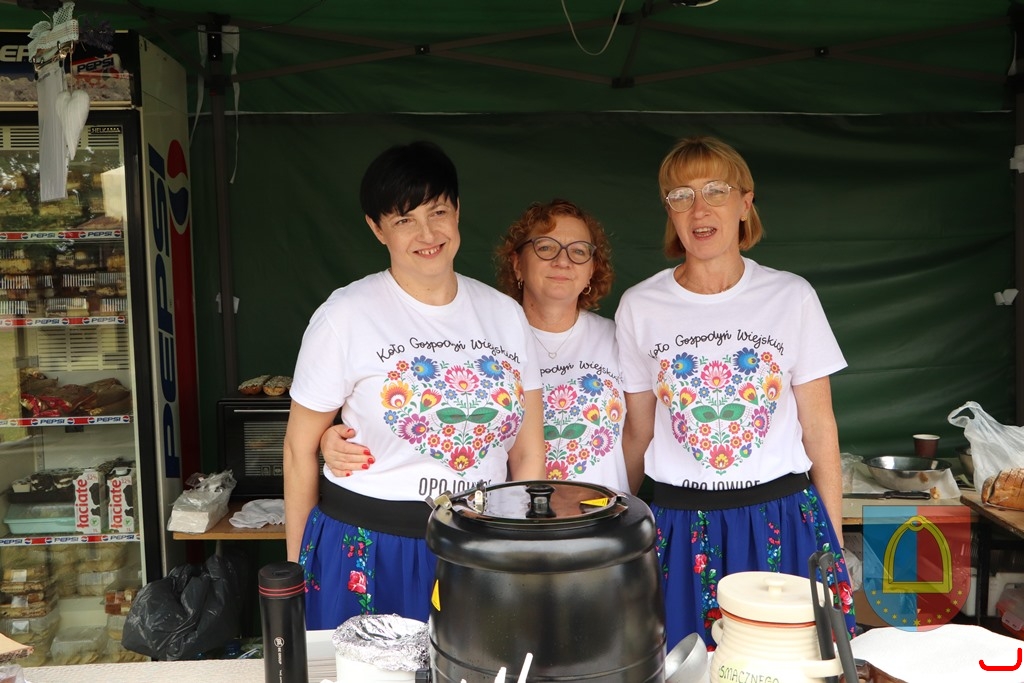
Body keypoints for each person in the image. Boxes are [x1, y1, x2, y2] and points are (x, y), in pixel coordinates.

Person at [283, 140, 546, 630]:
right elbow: (299, 450)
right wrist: (296, 577)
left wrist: (519, 546)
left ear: (458, 211)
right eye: (404, 219)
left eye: (438, 212)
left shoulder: (505, 316)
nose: (427, 234)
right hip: (367, 547)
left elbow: (529, 453)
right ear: (376, 228)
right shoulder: (345, 316)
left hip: (479, 547)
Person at [614, 135, 855, 650]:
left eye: (715, 191)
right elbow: (637, 431)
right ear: (669, 212)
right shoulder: (640, 305)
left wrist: (830, 540)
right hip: (681, 527)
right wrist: (617, 525)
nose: (699, 209)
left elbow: (819, 427)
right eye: (681, 195)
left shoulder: (790, 296)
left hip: (781, 520)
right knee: (685, 667)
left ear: (745, 204)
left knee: (788, 663)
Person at [321, 199, 631, 493]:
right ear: (517, 263)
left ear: (592, 269)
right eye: (545, 247)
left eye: (579, 251)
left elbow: (643, 434)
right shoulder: (487, 335)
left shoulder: (618, 339)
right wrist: (334, 439)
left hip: (602, 517)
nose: (562, 261)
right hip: (504, 516)